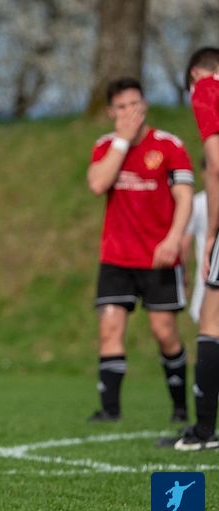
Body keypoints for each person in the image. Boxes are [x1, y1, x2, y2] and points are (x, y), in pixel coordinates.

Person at [86, 77, 193, 424]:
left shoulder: (169, 146)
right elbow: (98, 183)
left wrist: (173, 239)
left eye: (134, 104)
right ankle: (110, 411)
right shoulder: (105, 146)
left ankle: (180, 408)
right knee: (109, 328)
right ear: (110, 112)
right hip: (117, 257)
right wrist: (122, 141)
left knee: (165, 332)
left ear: (145, 104)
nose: (130, 111)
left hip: (159, 256)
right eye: (121, 107)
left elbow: (185, 198)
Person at [160, 46, 219, 450]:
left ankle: (203, 431)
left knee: (211, 322)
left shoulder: (207, 88)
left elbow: (215, 164)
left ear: (196, 74)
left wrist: (212, 229)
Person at [183, 190, 207, 323]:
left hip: (207, 277)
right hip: (206, 276)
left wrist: (183, 273)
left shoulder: (198, 202)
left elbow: (185, 242)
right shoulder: (198, 202)